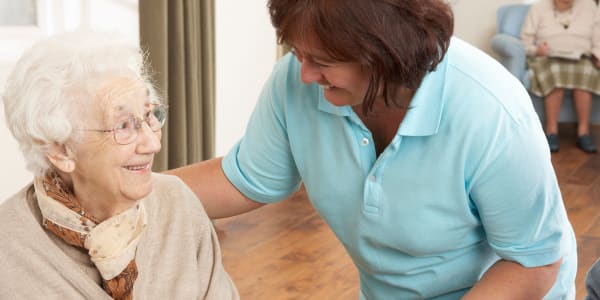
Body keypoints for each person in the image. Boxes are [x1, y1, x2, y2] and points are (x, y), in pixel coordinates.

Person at [169, 0, 577, 298]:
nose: (305, 74)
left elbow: (533, 261)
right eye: (297, 52)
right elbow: (244, 179)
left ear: (385, 54)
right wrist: (123, 190)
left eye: (323, 59)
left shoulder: (491, 110)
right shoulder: (296, 81)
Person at [0, 32, 239, 299]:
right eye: (123, 125)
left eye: (149, 115)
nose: (152, 144)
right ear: (60, 149)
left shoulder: (177, 204)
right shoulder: (8, 249)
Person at [521, 0, 600, 153]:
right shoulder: (538, 9)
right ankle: (551, 131)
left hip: (581, 57)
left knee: (586, 72)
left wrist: (598, 55)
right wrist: (536, 50)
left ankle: (583, 132)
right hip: (547, 57)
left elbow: (598, 38)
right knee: (555, 73)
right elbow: (524, 42)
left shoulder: (590, 6)